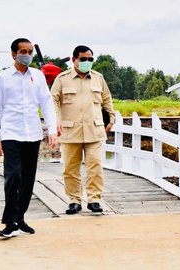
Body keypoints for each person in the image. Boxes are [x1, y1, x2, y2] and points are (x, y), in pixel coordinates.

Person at [0, 38, 58, 237]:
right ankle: (10, 222)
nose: (27, 55)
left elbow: (46, 104)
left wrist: (51, 131)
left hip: (33, 134)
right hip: (11, 132)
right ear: (13, 54)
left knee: (28, 179)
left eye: (29, 51)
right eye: (23, 51)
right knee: (13, 176)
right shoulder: (2, 77)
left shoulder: (37, 76)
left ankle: (19, 217)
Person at [51, 45, 115, 215]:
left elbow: (107, 99)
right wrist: (55, 121)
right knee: (71, 169)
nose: (87, 62)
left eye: (90, 59)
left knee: (95, 166)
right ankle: (74, 200)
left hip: (94, 130)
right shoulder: (62, 79)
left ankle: (94, 199)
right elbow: (53, 100)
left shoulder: (98, 78)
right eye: (83, 59)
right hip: (70, 131)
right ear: (74, 60)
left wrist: (111, 118)